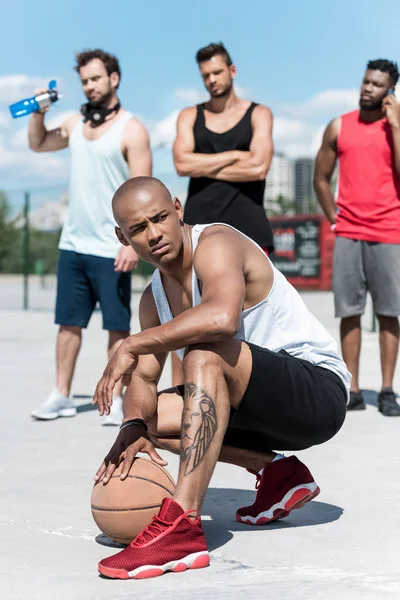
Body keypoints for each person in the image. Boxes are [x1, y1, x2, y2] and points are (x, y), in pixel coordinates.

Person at [92, 176, 350, 580]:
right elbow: (144, 380)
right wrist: (132, 424)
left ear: (178, 209)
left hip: (317, 392)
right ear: (122, 237)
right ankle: (279, 474)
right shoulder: (153, 298)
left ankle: (182, 526)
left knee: (206, 353)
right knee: (152, 420)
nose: (154, 234)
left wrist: (131, 343)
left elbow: (221, 318)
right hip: (256, 403)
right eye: (138, 229)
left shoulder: (217, 243)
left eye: (159, 218)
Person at [28, 49, 152, 425]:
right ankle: (61, 395)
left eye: (96, 78)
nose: (89, 86)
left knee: (116, 327)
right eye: (84, 81)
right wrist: (38, 112)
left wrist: (130, 243)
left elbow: (142, 189)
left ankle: (114, 399)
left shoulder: (132, 128)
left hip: (111, 246)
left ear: (114, 79)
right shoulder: (73, 124)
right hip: (74, 243)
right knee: (68, 325)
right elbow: (38, 143)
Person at [172, 41, 274, 384]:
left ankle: (252, 395)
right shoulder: (190, 115)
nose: (212, 79)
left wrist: (204, 164)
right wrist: (235, 155)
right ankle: (185, 392)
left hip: (249, 228)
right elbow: (181, 163)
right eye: (205, 75)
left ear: (232, 70)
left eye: (217, 72)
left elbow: (259, 167)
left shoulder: (259, 113)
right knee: (187, 320)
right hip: (198, 228)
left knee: (255, 323)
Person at [314, 58, 400, 417]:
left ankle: (386, 390)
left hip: (389, 231)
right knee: (349, 312)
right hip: (348, 231)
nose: (368, 88)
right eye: (366, 81)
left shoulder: (397, 125)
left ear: (390, 91)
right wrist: (333, 218)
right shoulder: (339, 126)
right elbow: (321, 176)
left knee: (389, 313)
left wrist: (395, 125)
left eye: (377, 84)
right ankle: (352, 389)